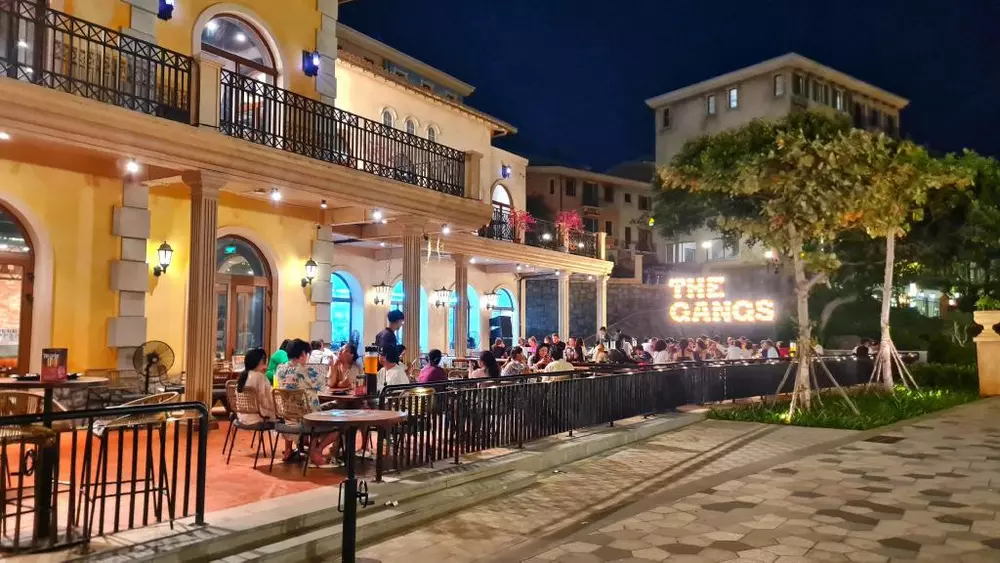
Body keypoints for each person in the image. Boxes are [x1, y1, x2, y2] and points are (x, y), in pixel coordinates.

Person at [275, 339, 337, 466]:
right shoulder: (307, 371)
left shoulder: (280, 369)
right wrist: (332, 367)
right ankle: (316, 450)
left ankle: (291, 449)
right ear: (303, 354)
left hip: (288, 417)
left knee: (312, 409)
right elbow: (326, 385)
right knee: (339, 424)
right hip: (307, 418)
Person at [235, 347, 275, 424]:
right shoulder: (260, 377)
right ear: (261, 361)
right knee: (280, 415)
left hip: (241, 416)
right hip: (257, 417)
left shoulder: (242, 376)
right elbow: (265, 401)